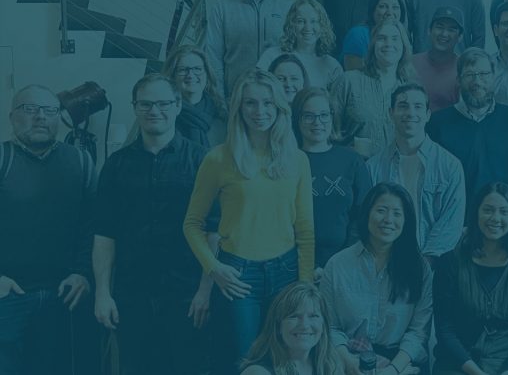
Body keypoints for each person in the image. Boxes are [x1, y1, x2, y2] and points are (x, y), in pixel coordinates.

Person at [182, 70, 315, 374]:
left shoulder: (297, 159)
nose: (260, 111)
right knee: (248, 362)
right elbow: (191, 223)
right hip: (239, 276)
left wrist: (305, 285)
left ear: (279, 107)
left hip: (287, 273)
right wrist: (213, 268)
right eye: (250, 103)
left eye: (268, 103)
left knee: (287, 361)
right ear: (239, 108)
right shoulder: (218, 158)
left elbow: (305, 231)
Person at [92, 74, 217, 375]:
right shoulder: (116, 165)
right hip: (132, 296)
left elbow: (214, 232)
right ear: (135, 107)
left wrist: (205, 291)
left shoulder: (203, 161)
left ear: (177, 105)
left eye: (163, 103)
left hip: (187, 296)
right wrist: (102, 293)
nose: (154, 111)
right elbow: (105, 234)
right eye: (145, 104)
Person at [1, 85, 98, 375]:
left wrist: (82, 272)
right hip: (8, 298)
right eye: (30, 109)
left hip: (64, 295)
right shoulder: (3, 158)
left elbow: (92, 225)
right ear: (12, 116)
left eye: (49, 110)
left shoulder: (81, 161)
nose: (40, 117)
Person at [320, 183, 432, 374]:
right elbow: (329, 326)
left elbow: (418, 332)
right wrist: (349, 362)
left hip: (399, 360)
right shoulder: (337, 265)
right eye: (381, 210)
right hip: (346, 357)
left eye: (397, 213)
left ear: (406, 221)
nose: (388, 220)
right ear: (367, 214)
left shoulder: (419, 268)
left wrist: (393, 369)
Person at [433, 183, 508, 375]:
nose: (495, 218)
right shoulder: (450, 263)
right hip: (459, 363)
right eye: (488, 210)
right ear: (476, 213)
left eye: (504, 212)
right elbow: (445, 330)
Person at [367, 84, 466, 260]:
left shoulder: (450, 166)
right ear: (391, 113)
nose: (410, 113)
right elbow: (368, 219)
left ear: (428, 115)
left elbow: (450, 224)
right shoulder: (372, 167)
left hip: (434, 265)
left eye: (418, 106)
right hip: (384, 261)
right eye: (403, 106)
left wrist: (425, 264)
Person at [290, 87, 371, 282]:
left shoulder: (352, 160)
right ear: (297, 119)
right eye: (308, 116)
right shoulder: (287, 161)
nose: (317, 122)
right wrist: (305, 265)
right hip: (292, 265)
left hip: (345, 265)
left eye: (324, 115)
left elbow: (364, 215)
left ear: (332, 117)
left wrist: (341, 261)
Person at [426, 48, 508, 197]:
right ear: (458, 80)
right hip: (457, 209)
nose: (477, 82)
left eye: (483, 74)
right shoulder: (436, 124)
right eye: (469, 75)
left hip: (504, 210)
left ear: (494, 76)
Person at [206, 0, 292, 99]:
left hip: (277, 98)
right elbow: (213, 58)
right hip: (235, 97)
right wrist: (219, 98)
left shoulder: (288, 9)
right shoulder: (222, 8)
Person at [332, 22, 418, 158]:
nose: (388, 44)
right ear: (373, 45)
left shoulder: (411, 90)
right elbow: (329, 130)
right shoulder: (348, 81)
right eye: (382, 38)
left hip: (395, 168)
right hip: (352, 166)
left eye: (395, 38)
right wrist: (348, 152)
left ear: (404, 47)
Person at [239, 282, 341, 375]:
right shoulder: (257, 372)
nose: (304, 325)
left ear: (323, 325)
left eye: (313, 316)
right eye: (294, 316)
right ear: (278, 326)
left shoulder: (330, 366)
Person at [256, 0, 343, 89]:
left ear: (322, 26)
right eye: (300, 21)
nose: (307, 28)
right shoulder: (271, 56)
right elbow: (257, 89)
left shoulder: (332, 65)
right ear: (291, 25)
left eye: (313, 21)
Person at [162, 44, 228, 147]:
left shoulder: (222, 113)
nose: (190, 75)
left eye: (197, 69)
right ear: (172, 76)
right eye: (183, 70)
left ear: (207, 74)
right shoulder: (162, 114)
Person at [342, 0, 407, 71]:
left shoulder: (402, 35)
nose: (390, 12)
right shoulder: (357, 34)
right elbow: (353, 74)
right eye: (383, 6)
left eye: (395, 7)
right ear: (373, 9)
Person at [412, 6, 465, 112]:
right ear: (429, 30)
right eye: (439, 27)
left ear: (460, 37)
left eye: (451, 29)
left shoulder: (464, 68)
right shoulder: (411, 63)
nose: (444, 34)